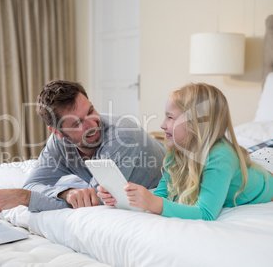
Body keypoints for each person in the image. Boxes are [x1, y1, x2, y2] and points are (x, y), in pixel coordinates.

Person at [0, 80, 166, 213]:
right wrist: (65, 193)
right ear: (57, 132)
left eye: (91, 110)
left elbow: (93, 201)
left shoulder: (122, 137)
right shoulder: (58, 143)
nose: (92, 124)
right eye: (77, 123)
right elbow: (33, 184)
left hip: (171, 180)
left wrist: (24, 198)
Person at [98, 83, 273, 221]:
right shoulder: (178, 151)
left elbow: (206, 214)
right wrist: (125, 198)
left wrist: (154, 202)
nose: (162, 125)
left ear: (197, 124)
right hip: (254, 164)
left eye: (170, 117)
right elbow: (161, 196)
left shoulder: (220, 157)